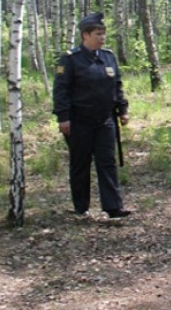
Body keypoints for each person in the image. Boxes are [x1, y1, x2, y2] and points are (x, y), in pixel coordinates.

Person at [52, 12, 131, 219]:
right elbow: (61, 90)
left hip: (105, 119)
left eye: (104, 34)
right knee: (80, 163)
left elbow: (117, 86)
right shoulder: (69, 60)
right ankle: (81, 208)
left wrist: (122, 109)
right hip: (79, 121)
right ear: (85, 35)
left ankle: (113, 207)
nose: (102, 38)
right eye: (98, 34)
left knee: (107, 162)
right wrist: (63, 117)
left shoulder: (108, 56)